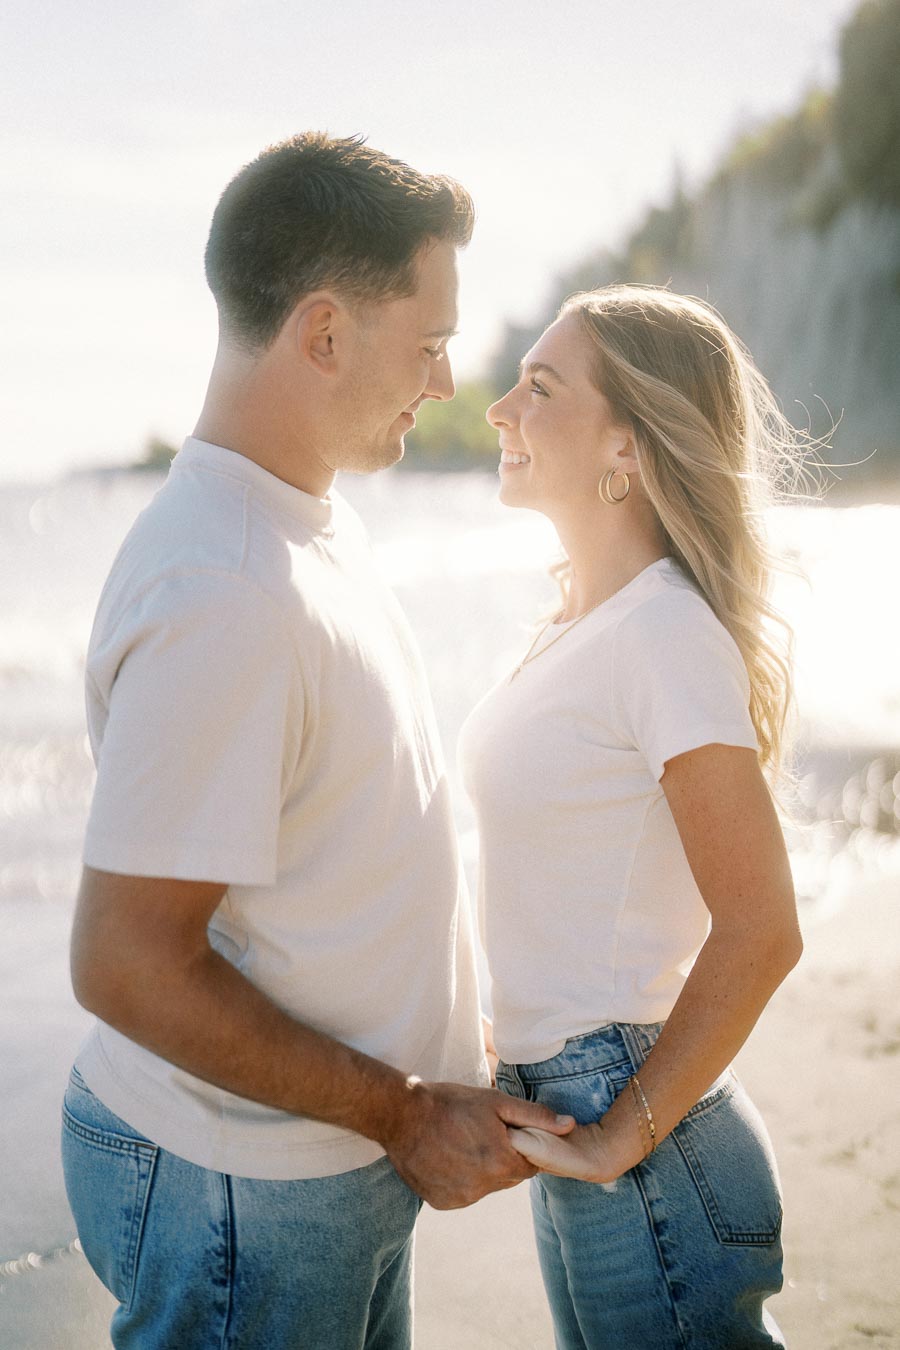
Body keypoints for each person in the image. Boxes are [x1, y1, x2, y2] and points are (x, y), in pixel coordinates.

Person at [61, 132, 573, 1350]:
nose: (447, 381)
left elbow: (334, 829)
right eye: (430, 342)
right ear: (326, 334)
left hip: (310, 1173)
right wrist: (398, 1109)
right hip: (243, 1197)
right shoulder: (226, 592)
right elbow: (127, 963)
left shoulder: (298, 520)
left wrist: (445, 1018)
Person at [459, 284, 805, 1348]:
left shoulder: (661, 632)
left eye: (541, 386)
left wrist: (619, 1139)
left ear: (628, 448)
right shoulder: (579, 628)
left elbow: (761, 930)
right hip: (577, 1113)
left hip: (633, 1127)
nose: (500, 408)